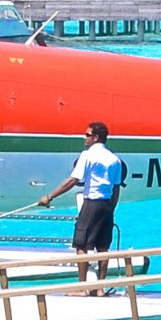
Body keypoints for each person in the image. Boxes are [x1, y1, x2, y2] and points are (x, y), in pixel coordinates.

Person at [37, 121, 126, 292]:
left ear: (95, 137)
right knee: (103, 248)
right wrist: (111, 210)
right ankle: (100, 288)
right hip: (107, 205)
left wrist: (49, 196)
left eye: (87, 135)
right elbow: (116, 189)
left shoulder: (87, 155)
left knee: (81, 246)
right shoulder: (115, 160)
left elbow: (73, 180)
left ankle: (82, 288)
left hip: (92, 203)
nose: (84, 138)